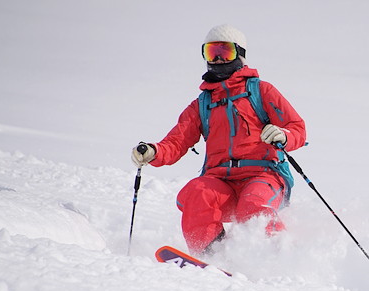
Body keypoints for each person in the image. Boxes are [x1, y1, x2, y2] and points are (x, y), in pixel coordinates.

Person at [131, 24, 306, 255]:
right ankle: (213, 256)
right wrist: (154, 152)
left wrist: (284, 135)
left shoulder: (261, 91)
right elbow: (177, 141)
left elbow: (298, 129)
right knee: (197, 193)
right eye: (212, 52)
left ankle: (277, 256)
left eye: (226, 52)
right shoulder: (203, 104)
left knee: (253, 206)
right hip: (220, 179)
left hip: (263, 175)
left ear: (240, 55)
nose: (219, 60)